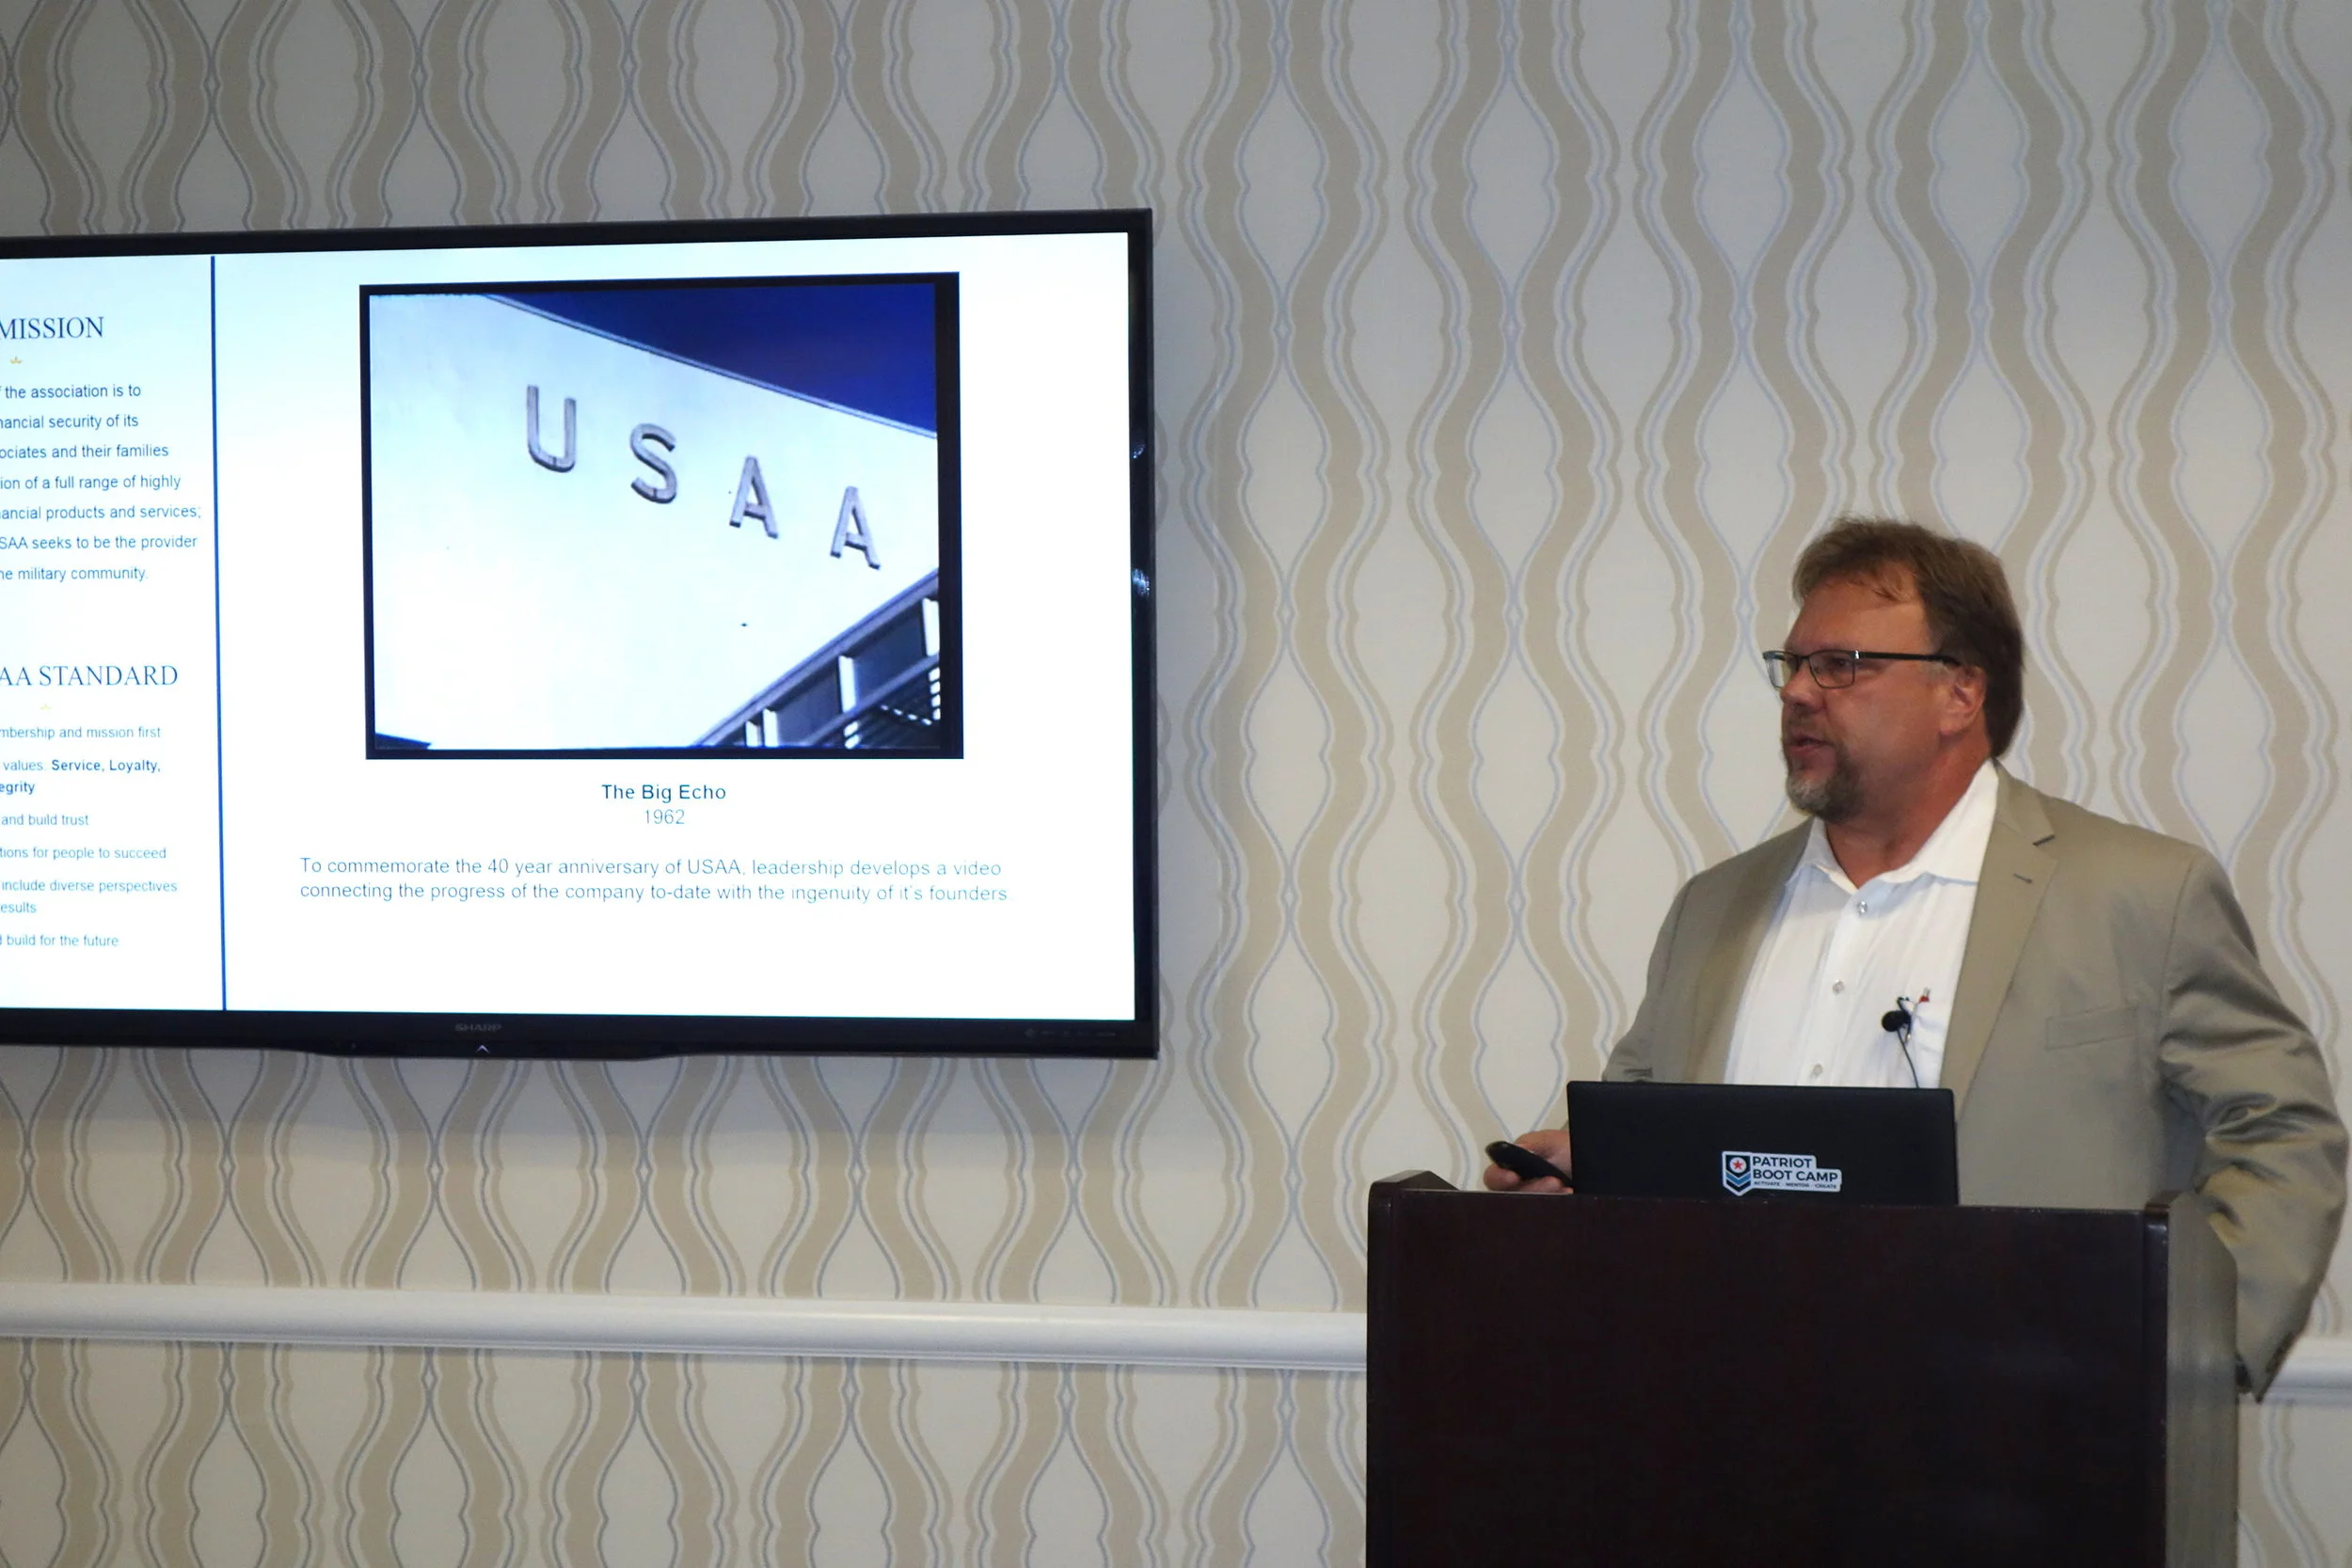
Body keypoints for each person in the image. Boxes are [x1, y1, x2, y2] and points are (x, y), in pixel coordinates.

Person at [1487, 516, 2346, 1394]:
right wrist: (1583, 1177)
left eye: (1842, 664)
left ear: (1960, 693)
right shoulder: (1713, 909)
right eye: (1793, 664)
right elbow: (1649, 1134)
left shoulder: (2141, 894)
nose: (1799, 692)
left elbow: (2283, 1129)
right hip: (1723, 1417)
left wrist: (2192, 1356)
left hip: (2033, 1428)